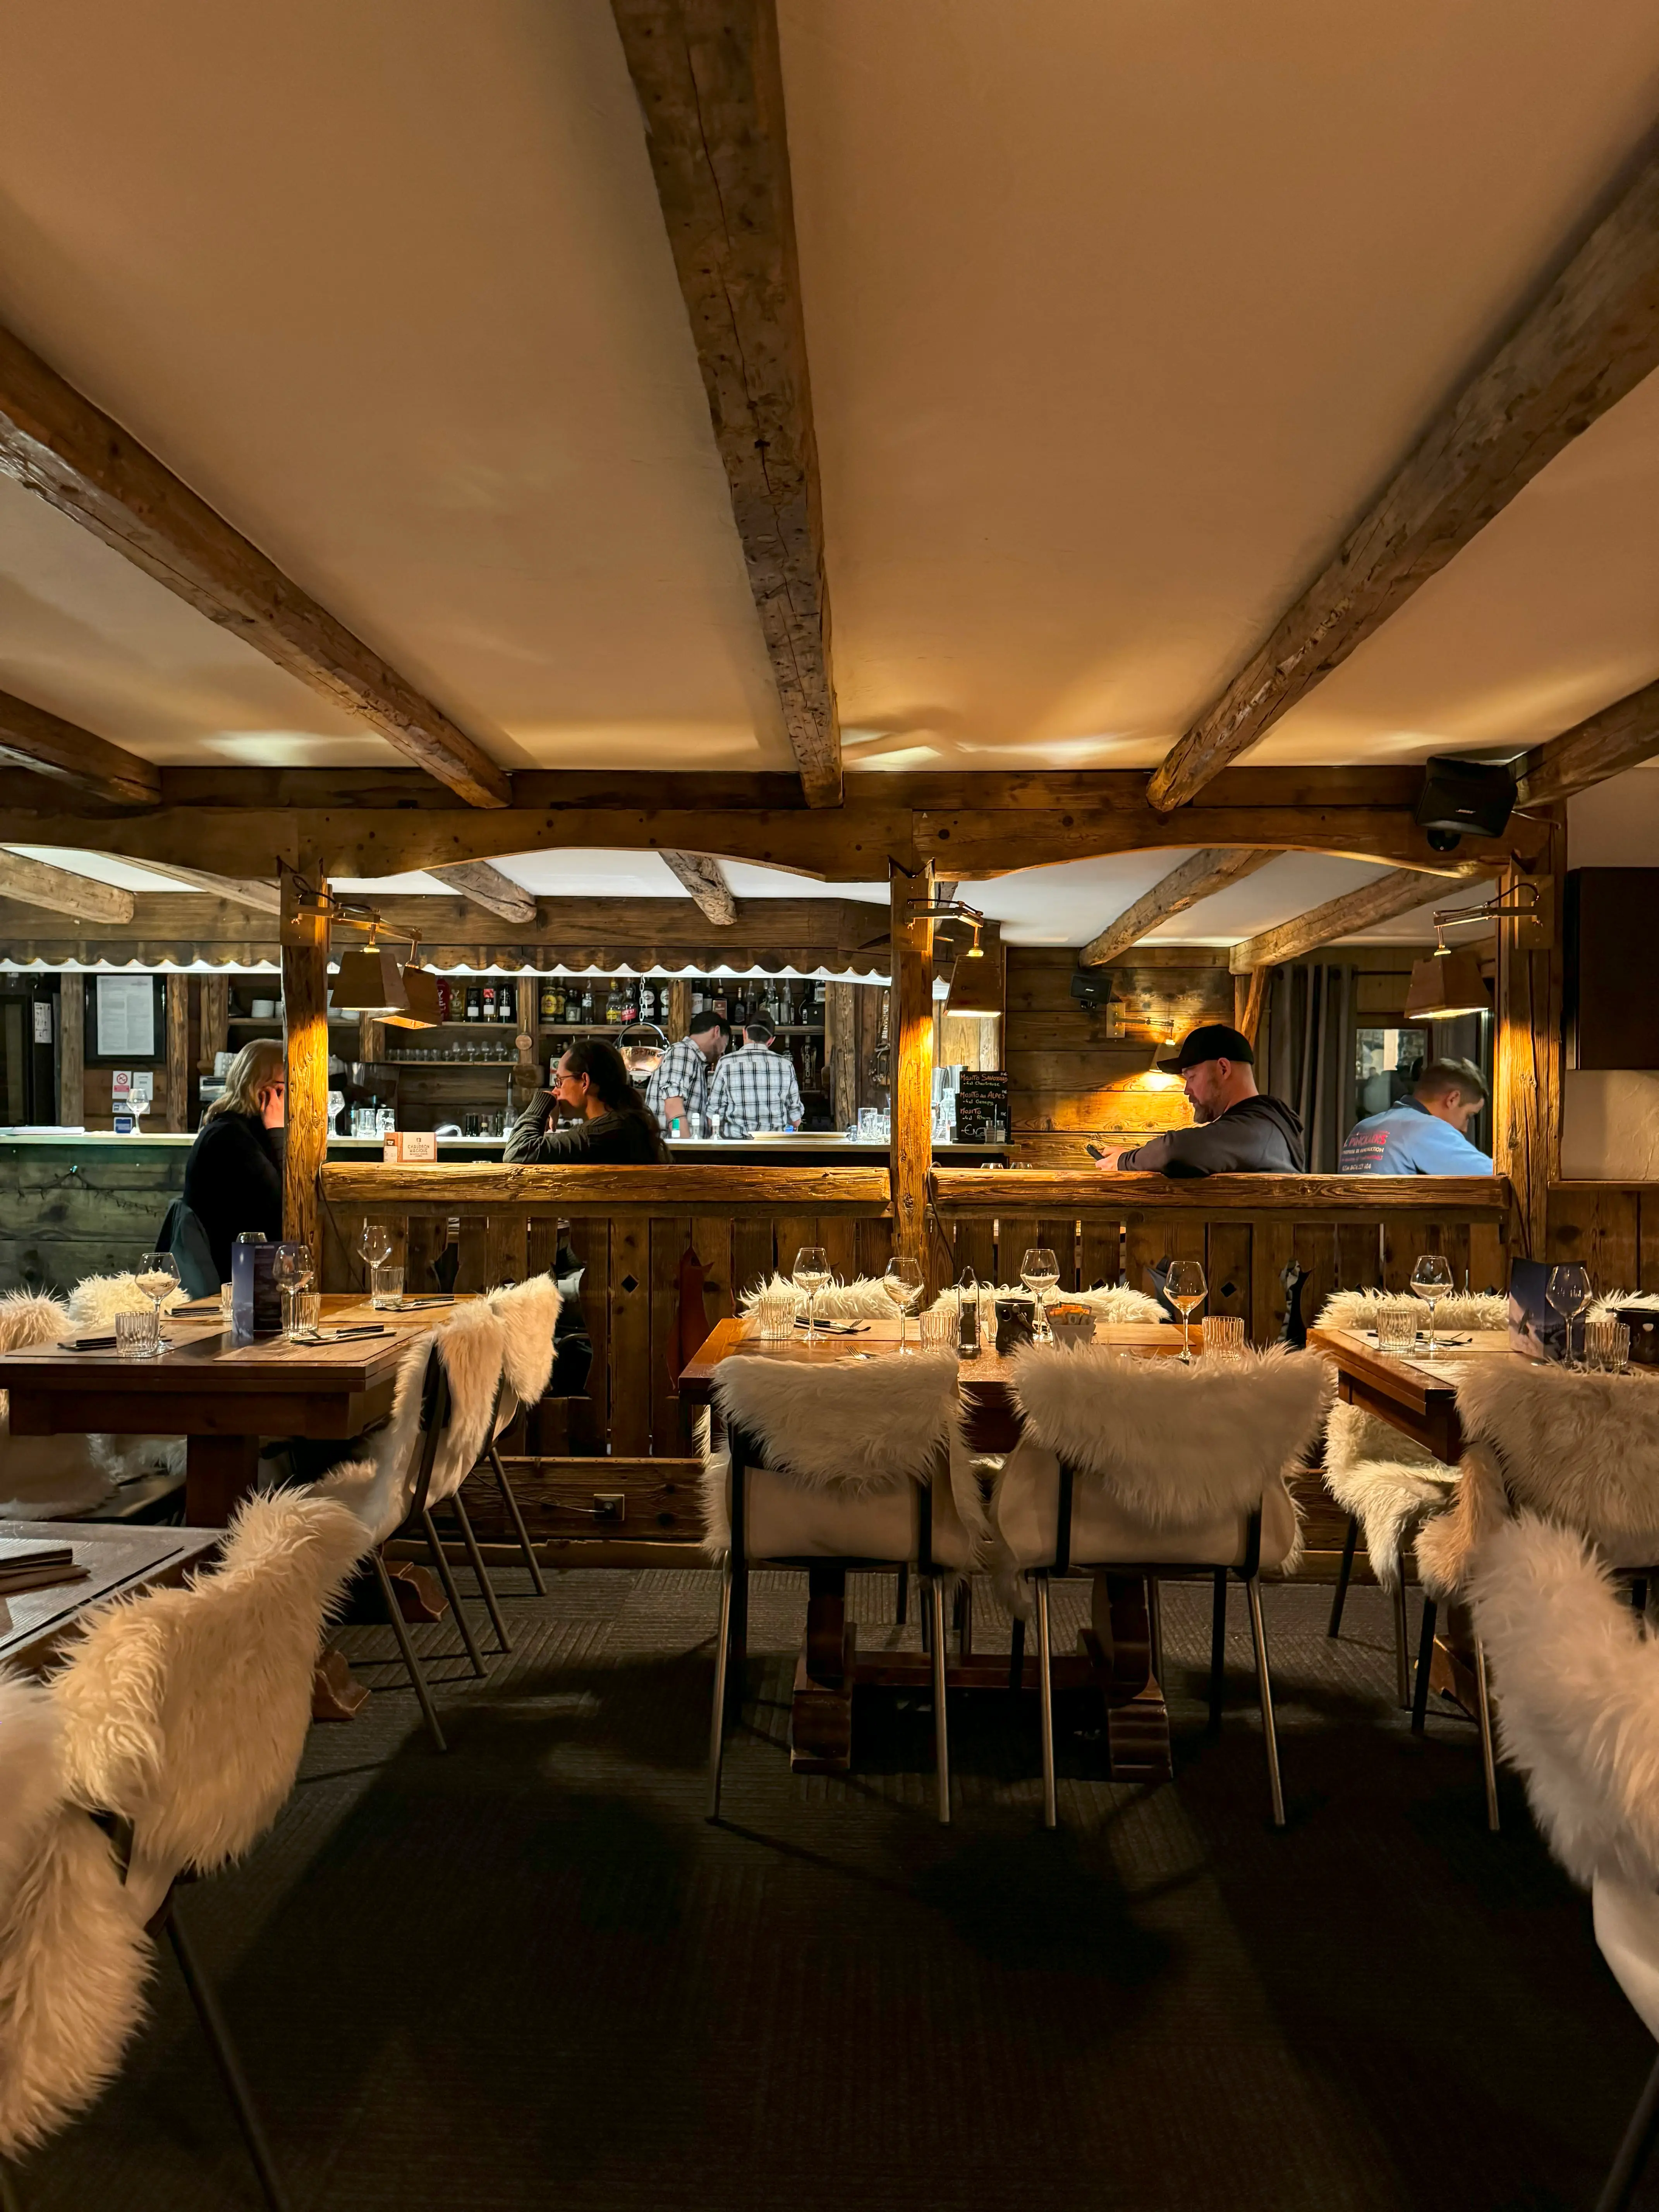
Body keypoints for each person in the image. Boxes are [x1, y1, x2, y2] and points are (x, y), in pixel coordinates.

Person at [1094, 1023, 1304, 1176]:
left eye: (1191, 1077)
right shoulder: (1266, 1124)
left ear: (1223, 1069)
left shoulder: (1259, 1130)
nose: (1187, 1090)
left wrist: (1124, 1162)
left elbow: (1175, 1150)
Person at [181, 1036, 285, 1281]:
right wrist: (278, 1133)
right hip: (237, 1276)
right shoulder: (229, 1137)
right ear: (265, 1092)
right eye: (286, 1088)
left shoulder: (241, 1129)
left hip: (251, 1264)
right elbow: (283, 1202)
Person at [504, 1035, 671, 1163]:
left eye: (560, 1081)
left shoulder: (600, 1135)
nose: (556, 1090)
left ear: (585, 1082)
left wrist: (544, 1101)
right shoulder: (624, 1125)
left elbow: (519, 1151)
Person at [1340, 1056, 1492, 1175]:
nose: (1465, 1129)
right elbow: (1497, 1175)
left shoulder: (1362, 1128)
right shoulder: (1426, 1128)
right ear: (1453, 1099)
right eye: (1469, 1116)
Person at [705, 1013, 803, 1140]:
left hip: (736, 1149)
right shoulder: (786, 1065)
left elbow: (713, 1116)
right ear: (771, 1040)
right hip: (775, 1149)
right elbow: (795, 1120)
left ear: (744, 1033)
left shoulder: (726, 1063)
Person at [644, 1010, 728, 1135]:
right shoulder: (683, 1052)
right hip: (671, 1151)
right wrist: (687, 1148)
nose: (722, 1054)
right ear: (717, 1032)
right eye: (724, 1045)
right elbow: (673, 1106)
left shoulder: (692, 1058)